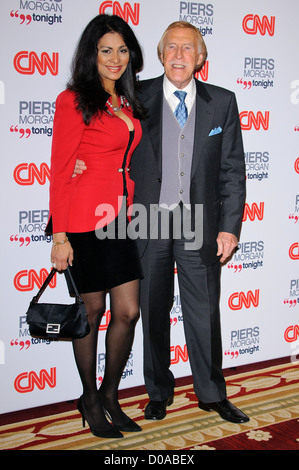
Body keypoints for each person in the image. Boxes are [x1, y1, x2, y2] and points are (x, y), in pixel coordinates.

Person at [74, 21, 249, 424]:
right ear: (159, 54)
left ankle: (211, 392)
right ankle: (158, 391)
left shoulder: (222, 102)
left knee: (203, 311)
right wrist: (84, 164)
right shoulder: (136, 96)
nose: (178, 54)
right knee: (151, 309)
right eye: (171, 46)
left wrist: (229, 227)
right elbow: (108, 140)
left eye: (188, 48)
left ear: (200, 58)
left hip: (199, 223)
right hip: (147, 221)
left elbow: (233, 171)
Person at [47, 14, 147, 438]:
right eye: (106, 50)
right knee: (91, 313)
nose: (115, 58)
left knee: (128, 311)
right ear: (91, 53)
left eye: (122, 50)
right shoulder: (73, 100)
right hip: (84, 221)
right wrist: (60, 235)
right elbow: (60, 169)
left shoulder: (127, 101)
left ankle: (109, 395)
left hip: (120, 220)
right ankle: (88, 398)